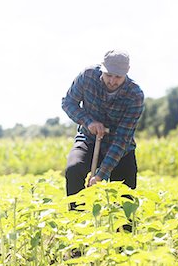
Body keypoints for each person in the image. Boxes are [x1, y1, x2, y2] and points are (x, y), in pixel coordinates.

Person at [61, 49, 144, 204]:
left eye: (118, 77)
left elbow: (122, 139)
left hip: (120, 147)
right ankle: (77, 222)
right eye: (108, 75)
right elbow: (68, 103)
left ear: (127, 73)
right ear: (102, 68)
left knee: (124, 196)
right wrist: (88, 122)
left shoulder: (135, 95)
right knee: (74, 169)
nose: (112, 81)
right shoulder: (87, 76)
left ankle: (123, 228)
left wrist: (101, 175)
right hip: (88, 138)